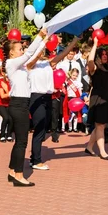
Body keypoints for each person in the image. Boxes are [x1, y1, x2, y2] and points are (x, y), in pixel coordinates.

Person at [26, 37, 79, 170]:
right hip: (36, 97)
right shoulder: (30, 64)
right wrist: (42, 41)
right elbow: (36, 55)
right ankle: (36, 161)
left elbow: (64, 53)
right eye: (41, 49)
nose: (43, 51)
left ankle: (34, 158)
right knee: (38, 129)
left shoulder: (48, 63)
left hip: (48, 97)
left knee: (44, 129)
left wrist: (75, 41)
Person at [3, 28, 47, 187]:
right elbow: (29, 54)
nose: (23, 50)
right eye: (20, 49)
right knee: (22, 142)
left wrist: (44, 40)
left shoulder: (20, 66)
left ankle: (12, 171)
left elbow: (33, 55)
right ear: (11, 53)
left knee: (19, 142)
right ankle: (19, 175)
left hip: (22, 105)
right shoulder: (11, 63)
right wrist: (39, 35)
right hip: (18, 105)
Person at [0, 68, 12, 142]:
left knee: (11, 119)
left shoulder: (13, 83)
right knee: (6, 118)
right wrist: (10, 93)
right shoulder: (2, 82)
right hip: (0, 103)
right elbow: (2, 96)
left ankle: (9, 135)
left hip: (9, 103)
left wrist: (8, 91)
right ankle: (2, 135)